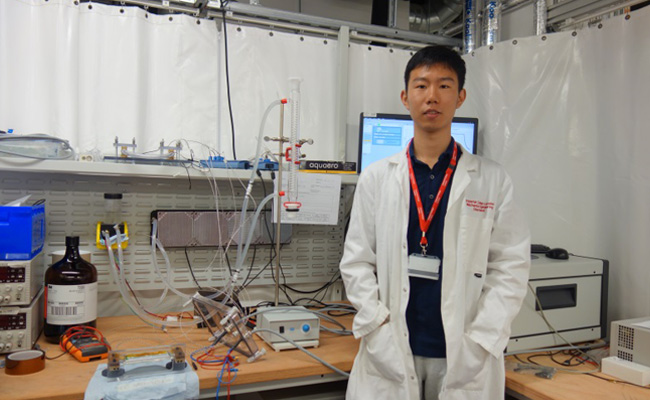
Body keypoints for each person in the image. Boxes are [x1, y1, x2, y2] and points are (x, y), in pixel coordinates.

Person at [339, 45, 531, 400]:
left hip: (463, 353)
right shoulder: (377, 177)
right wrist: (376, 325)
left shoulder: (492, 180)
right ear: (405, 97)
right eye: (421, 85)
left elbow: (510, 267)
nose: (432, 96)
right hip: (392, 347)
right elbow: (356, 262)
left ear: (460, 97)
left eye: (444, 86)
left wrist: (482, 339)